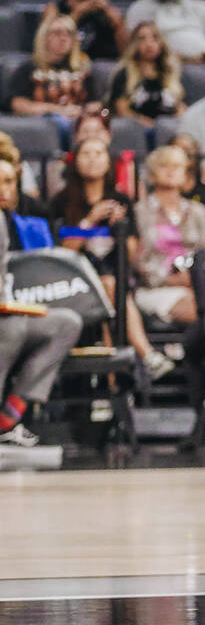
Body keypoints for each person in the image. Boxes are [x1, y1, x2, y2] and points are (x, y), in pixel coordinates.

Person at [51, 137, 173, 378]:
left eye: (99, 153)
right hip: (72, 282)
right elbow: (62, 254)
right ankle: (145, 355)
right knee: (109, 287)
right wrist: (90, 221)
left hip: (116, 279)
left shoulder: (122, 201)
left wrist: (120, 230)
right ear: (75, 162)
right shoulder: (61, 202)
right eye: (87, 154)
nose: (93, 159)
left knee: (110, 289)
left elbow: (129, 254)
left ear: (108, 163)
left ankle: (112, 385)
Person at [0, 156, 84, 448]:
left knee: (67, 323)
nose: (3, 189)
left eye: (9, 182)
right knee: (8, 330)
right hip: (5, 319)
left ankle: (9, 417)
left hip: (9, 309)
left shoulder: (10, 220)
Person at [133, 146, 205, 326]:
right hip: (153, 288)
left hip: (195, 285)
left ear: (185, 175)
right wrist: (168, 279)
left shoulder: (198, 212)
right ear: (151, 174)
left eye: (177, 167)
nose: (171, 171)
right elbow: (136, 260)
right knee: (200, 306)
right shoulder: (140, 212)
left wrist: (193, 278)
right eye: (164, 166)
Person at [3, 15, 99, 125]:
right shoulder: (28, 69)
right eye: (57, 33)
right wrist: (55, 110)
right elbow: (17, 104)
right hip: (41, 127)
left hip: (78, 125)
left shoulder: (83, 71)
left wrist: (82, 111)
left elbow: (95, 104)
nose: (63, 38)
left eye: (69, 33)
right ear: (44, 37)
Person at [107, 22, 186, 127]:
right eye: (142, 39)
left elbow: (180, 106)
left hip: (168, 129)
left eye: (154, 38)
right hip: (135, 129)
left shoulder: (170, 72)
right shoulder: (125, 73)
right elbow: (121, 109)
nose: (149, 43)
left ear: (161, 43)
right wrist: (145, 124)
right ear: (134, 44)